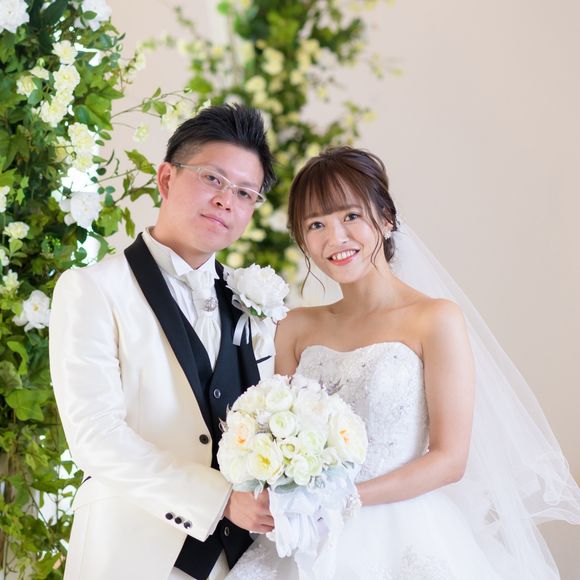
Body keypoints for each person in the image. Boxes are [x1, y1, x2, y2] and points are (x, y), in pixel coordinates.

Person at [227, 146, 580, 579]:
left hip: (403, 532)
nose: (335, 237)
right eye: (316, 224)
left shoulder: (435, 319)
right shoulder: (295, 326)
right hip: (307, 538)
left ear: (386, 219)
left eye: (350, 216)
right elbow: (273, 430)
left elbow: (450, 458)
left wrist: (343, 500)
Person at [49, 104, 277, 580]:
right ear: (167, 178)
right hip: (134, 554)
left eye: (244, 192)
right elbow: (95, 436)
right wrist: (219, 500)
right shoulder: (93, 289)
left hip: (243, 562)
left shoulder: (254, 301)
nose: (226, 200)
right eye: (213, 179)